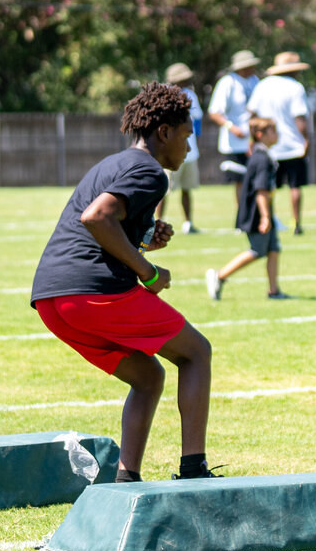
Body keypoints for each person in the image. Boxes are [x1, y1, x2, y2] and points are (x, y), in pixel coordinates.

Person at [30, 82, 219, 482]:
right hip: (91, 292)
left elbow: (103, 228)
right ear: (164, 132)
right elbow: (97, 218)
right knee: (196, 353)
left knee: (149, 376)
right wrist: (149, 273)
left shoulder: (110, 164)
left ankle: (126, 478)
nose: (188, 148)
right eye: (186, 136)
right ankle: (193, 469)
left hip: (51, 298)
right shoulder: (151, 172)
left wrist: (145, 240)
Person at [205, 117, 290, 301]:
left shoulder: (263, 155)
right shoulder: (261, 159)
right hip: (256, 214)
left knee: (274, 248)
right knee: (257, 250)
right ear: (260, 135)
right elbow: (261, 190)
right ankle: (219, 276)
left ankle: (273, 291)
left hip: (263, 213)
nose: (276, 134)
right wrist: (266, 217)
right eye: (272, 131)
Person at [247, 50, 310, 235]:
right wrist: (305, 139)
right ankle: (296, 222)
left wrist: (253, 139)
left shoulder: (262, 85)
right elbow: (300, 118)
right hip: (292, 146)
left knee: (268, 185)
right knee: (295, 185)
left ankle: (270, 218)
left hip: (268, 145)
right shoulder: (296, 87)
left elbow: (252, 114)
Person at [206, 50, 260, 211]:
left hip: (253, 141)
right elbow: (214, 112)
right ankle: (242, 215)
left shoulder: (255, 81)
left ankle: (258, 214)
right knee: (240, 181)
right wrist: (232, 127)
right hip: (234, 143)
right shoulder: (227, 82)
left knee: (258, 179)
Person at [156, 62, 203, 233]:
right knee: (164, 190)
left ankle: (188, 223)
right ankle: (157, 222)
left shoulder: (191, 95)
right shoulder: (164, 97)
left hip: (189, 152)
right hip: (170, 151)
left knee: (187, 188)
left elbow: (196, 122)